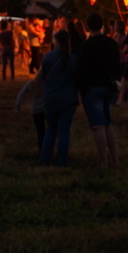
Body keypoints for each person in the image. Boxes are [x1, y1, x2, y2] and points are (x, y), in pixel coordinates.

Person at [76, 14, 121, 169]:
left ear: (88, 26)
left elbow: (82, 69)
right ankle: (114, 159)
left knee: (98, 126)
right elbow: (117, 65)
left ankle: (103, 161)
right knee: (108, 123)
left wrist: (80, 89)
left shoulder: (86, 46)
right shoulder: (111, 43)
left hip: (92, 87)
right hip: (109, 87)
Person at [37, 30, 79, 166]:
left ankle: (44, 158)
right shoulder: (72, 59)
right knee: (64, 131)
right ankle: (62, 160)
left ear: (56, 41)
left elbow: (43, 76)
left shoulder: (47, 57)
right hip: (67, 99)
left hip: (50, 98)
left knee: (51, 130)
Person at [13, 64, 47, 159]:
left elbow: (20, 95)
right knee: (49, 132)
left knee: (40, 133)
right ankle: (47, 151)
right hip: (46, 111)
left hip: (35, 112)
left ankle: (41, 153)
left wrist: (17, 107)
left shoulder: (31, 84)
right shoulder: (47, 84)